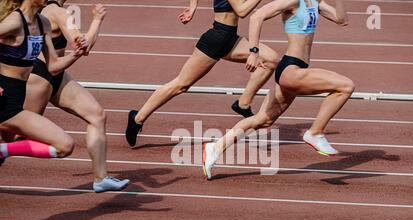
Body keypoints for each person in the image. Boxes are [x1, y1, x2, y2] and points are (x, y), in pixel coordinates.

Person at [202, 0, 355, 180]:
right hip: (291, 69)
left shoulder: (315, 2)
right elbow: (257, 16)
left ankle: (215, 148)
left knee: (263, 120)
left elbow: (342, 20)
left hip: (297, 69)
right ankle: (315, 132)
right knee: (345, 86)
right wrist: (253, 51)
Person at [125, 0, 280, 147]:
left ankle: (243, 103)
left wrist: (193, 7)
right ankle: (137, 118)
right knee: (180, 85)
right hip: (216, 39)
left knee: (271, 60)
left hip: (230, 39)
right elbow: (242, 10)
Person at [24, 0, 129, 193]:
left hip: (58, 74)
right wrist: (97, 20)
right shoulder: (58, 13)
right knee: (14, 136)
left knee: (96, 115)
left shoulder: (50, 11)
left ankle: (100, 177)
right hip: (39, 77)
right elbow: (83, 46)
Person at [0, 0, 86, 169]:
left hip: (17, 98)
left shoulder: (43, 23)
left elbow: (53, 67)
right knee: (64, 145)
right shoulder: (14, 22)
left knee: (7, 144)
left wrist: (76, 54)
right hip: (5, 102)